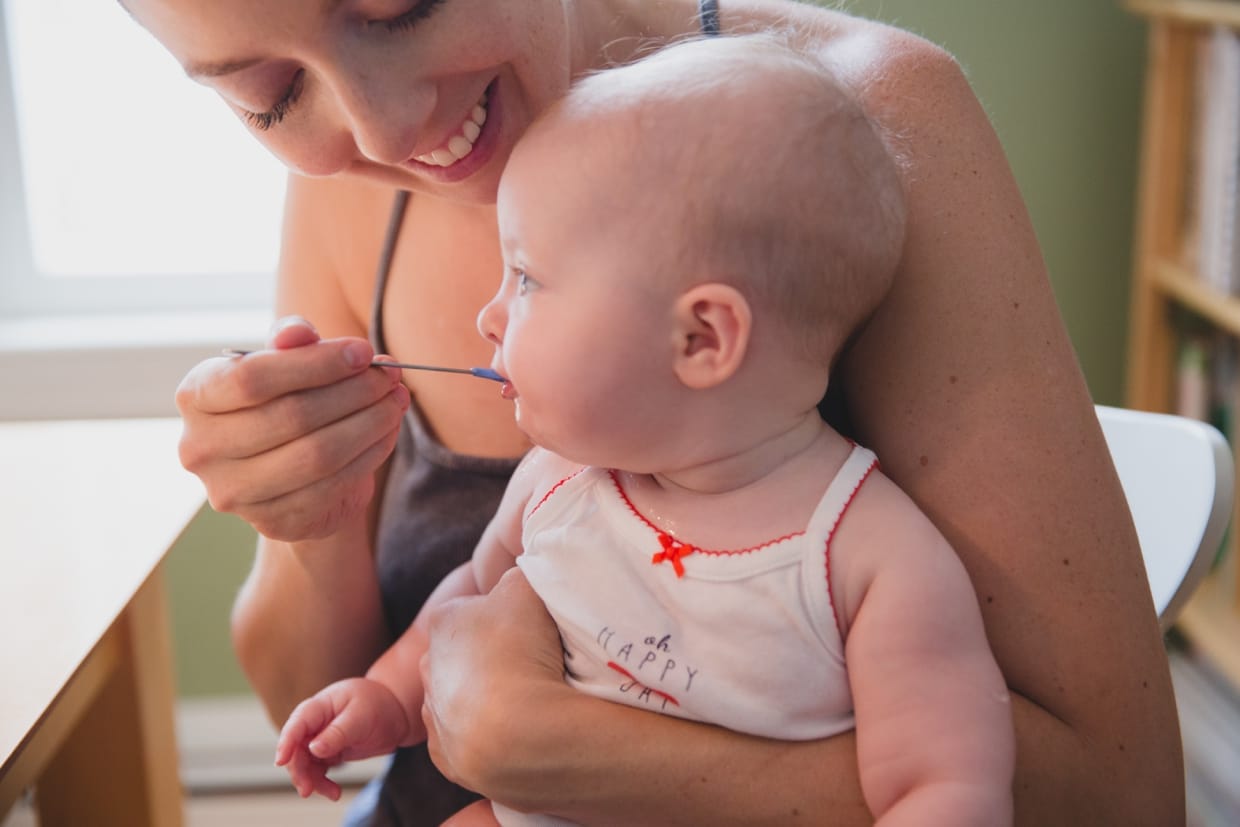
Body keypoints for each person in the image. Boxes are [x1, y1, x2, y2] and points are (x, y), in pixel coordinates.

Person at [127, 0, 1182, 822]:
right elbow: (313, 716)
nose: (382, 125)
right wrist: (310, 527)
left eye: (403, 6)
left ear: (709, 335)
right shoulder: (347, 188)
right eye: (266, 94)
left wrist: (553, 745)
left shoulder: (859, 137)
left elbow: (1118, 802)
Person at [274, 34, 1015, 827]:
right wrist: (388, 696)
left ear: (701, 338)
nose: (489, 316)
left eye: (527, 279)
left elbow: (939, 789)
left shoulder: (870, 559)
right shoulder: (557, 480)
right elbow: (466, 605)